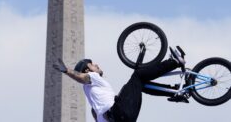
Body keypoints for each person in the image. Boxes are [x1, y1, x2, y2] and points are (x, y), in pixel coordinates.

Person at [53, 47, 186, 122]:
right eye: (92, 64)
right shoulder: (93, 77)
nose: (96, 64)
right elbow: (81, 78)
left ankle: (175, 91)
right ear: (87, 70)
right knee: (138, 75)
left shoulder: (95, 107)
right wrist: (67, 71)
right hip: (119, 112)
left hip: (124, 118)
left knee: (139, 85)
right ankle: (174, 62)